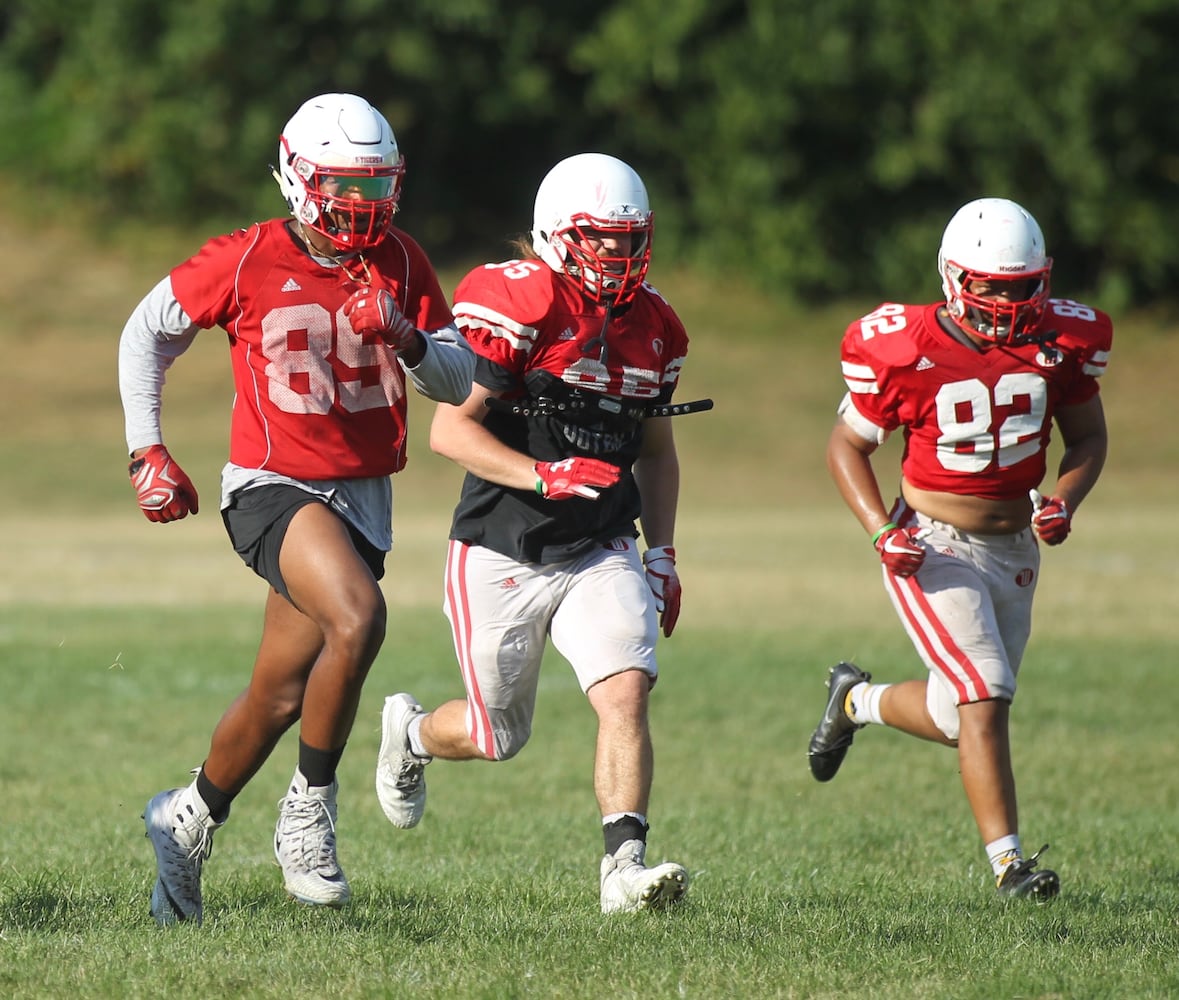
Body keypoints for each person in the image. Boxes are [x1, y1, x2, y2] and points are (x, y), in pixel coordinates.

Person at [119, 92, 474, 926]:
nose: (360, 206)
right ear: (296, 178)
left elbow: (459, 381)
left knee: (279, 695)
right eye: (342, 188)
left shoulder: (402, 261)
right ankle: (308, 814)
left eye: (372, 187)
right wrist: (148, 448)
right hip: (272, 486)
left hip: (361, 498)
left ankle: (188, 820)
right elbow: (148, 331)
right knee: (359, 618)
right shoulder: (248, 257)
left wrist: (408, 337)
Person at [373, 152, 693, 914]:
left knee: (625, 692)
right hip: (501, 543)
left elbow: (655, 449)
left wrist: (665, 550)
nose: (617, 256)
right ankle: (411, 733)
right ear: (555, 236)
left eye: (628, 239)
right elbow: (451, 430)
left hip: (600, 542)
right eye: (599, 239)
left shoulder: (657, 327)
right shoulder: (521, 301)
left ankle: (622, 871)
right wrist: (544, 473)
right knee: (495, 735)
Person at [808, 197, 1111, 901]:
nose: (1007, 302)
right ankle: (1010, 868)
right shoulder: (903, 346)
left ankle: (856, 703)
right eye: (991, 286)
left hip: (1012, 547)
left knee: (957, 715)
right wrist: (880, 533)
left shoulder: (1063, 342)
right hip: (930, 541)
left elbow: (1087, 439)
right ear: (952, 277)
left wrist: (1065, 497)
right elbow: (846, 446)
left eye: (1020, 286)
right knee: (984, 695)